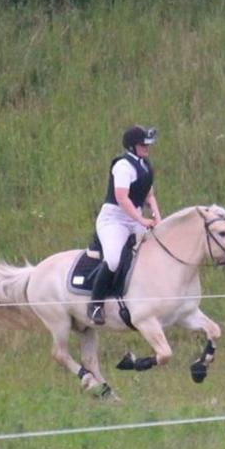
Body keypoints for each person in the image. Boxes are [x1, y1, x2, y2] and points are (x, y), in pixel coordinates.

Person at [88, 125, 162, 325]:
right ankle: (96, 304)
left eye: (147, 144)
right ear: (132, 147)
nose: (147, 147)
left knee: (155, 250)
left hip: (134, 217)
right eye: (143, 145)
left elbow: (149, 196)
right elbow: (122, 198)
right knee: (113, 260)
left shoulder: (144, 165)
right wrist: (142, 220)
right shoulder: (123, 166)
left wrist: (158, 218)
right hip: (114, 220)